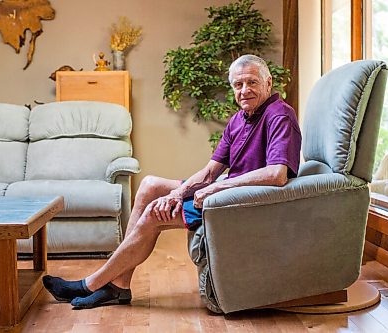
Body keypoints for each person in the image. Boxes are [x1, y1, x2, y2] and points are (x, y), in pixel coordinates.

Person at [43, 54, 302, 309]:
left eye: (252, 82)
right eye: (238, 84)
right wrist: (178, 193)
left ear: (268, 83)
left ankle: (90, 284)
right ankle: (119, 286)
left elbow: (276, 175)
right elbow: (210, 172)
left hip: (243, 203)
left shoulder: (279, 115)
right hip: (226, 191)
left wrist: (216, 187)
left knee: (153, 215)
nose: (244, 90)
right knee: (150, 185)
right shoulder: (239, 119)